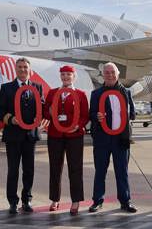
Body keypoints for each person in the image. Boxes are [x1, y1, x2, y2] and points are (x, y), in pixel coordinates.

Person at [0, 57, 45, 214]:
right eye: (20, 67)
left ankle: (26, 200)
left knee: (29, 170)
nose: (23, 70)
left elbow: (42, 108)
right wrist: (11, 119)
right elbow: (0, 111)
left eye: (25, 67)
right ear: (15, 69)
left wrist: (43, 122)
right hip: (13, 136)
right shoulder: (6, 88)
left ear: (29, 70)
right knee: (13, 170)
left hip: (30, 136)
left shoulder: (37, 87)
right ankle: (12, 201)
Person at [88, 62, 137, 213]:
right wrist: (97, 116)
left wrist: (126, 115)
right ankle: (97, 201)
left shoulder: (126, 92)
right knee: (100, 171)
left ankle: (125, 201)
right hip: (102, 139)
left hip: (120, 139)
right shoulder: (96, 94)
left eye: (112, 72)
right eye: (107, 72)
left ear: (117, 74)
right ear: (103, 75)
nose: (109, 75)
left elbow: (133, 113)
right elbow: (91, 114)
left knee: (122, 171)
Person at [43, 65, 89, 216]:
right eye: (63, 75)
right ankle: (55, 199)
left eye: (68, 74)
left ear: (74, 76)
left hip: (74, 136)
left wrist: (77, 126)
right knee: (55, 168)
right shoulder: (52, 92)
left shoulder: (80, 94)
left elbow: (85, 115)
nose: (65, 77)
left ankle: (75, 200)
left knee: (75, 169)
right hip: (55, 135)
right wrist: (49, 112)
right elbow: (45, 113)